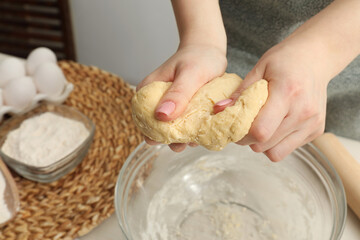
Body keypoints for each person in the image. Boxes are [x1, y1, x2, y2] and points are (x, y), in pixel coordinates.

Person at [136, 0, 360, 162]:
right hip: (226, 41)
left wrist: (322, 52)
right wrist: (202, 39)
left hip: (350, 67)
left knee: (341, 150)